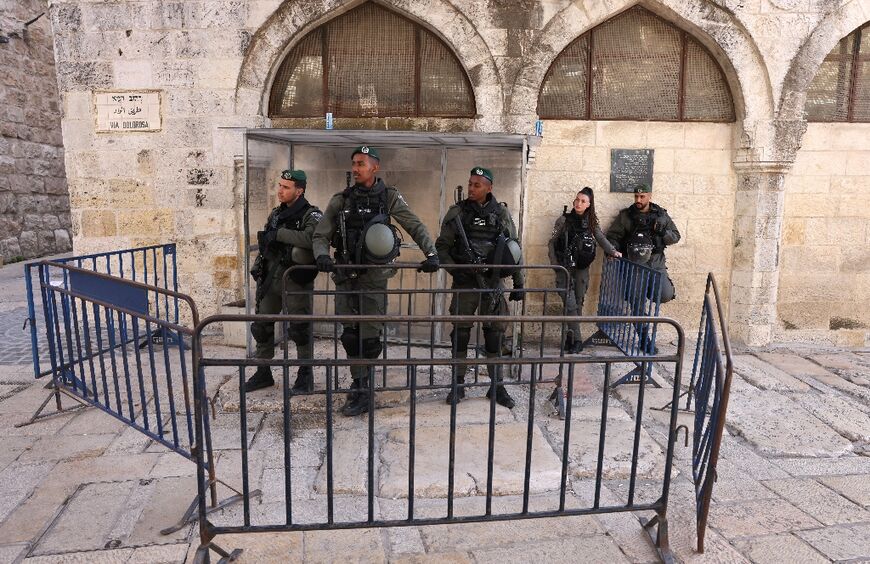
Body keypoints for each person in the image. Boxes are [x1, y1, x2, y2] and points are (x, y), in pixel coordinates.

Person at [313, 146, 439, 417]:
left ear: (375, 167)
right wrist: (322, 255)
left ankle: (365, 386)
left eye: (361, 164)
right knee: (349, 334)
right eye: (354, 164)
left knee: (369, 336)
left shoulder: (388, 197)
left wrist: (431, 253)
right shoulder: (341, 200)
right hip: (346, 276)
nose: (355, 168)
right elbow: (320, 234)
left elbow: (414, 225)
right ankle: (358, 383)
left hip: (374, 279)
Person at [435, 166, 524, 409]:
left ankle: (497, 387)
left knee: (495, 336)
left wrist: (519, 282)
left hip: (493, 284)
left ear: (489, 188)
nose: (472, 188)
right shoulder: (457, 214)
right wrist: (457, 269)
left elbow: (514, 249)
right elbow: (441, 247)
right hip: (465, 284)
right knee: (460, 335)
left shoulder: (501, 214)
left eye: (477, 185)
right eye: (470, 184)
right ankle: (458, 384)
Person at [245, 170, 322, 393]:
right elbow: (268, 241)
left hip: (296, 279)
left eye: (286, 187)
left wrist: (279, 234)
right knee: (262, 326)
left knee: (299, 328)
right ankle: (263, 371)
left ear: (300, 191)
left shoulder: (311, 214)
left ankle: (305, 374)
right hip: (271, 277)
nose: (280, 190)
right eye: (280, 185)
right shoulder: (276, 214)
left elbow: (312, 238)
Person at [606, 184, 680, 351]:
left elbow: (675, 237)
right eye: (636, 197)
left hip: (655, 263)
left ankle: (647, 291)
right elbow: (613, 236)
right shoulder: (626, 216)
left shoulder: (661, 215)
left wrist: (662, 233)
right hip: (635, 265)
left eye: (642, 197)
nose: (638, 200)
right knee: (637, 304)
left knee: (665, 294)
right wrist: (613, 250)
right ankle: (644, 338)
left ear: (650, 196)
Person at [548, 187, 621, 353]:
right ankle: (578, 341)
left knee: (578, 303)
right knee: (570, 304)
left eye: (583, 201)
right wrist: (555, 266)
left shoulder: (591, 223)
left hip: (581, 269)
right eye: (577, 200)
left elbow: (601, 238)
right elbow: (551, 243)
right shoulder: (563, 220)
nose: (578, 203)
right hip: (564, 269)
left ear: (588, 204)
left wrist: (612, 251)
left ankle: (570, 337)